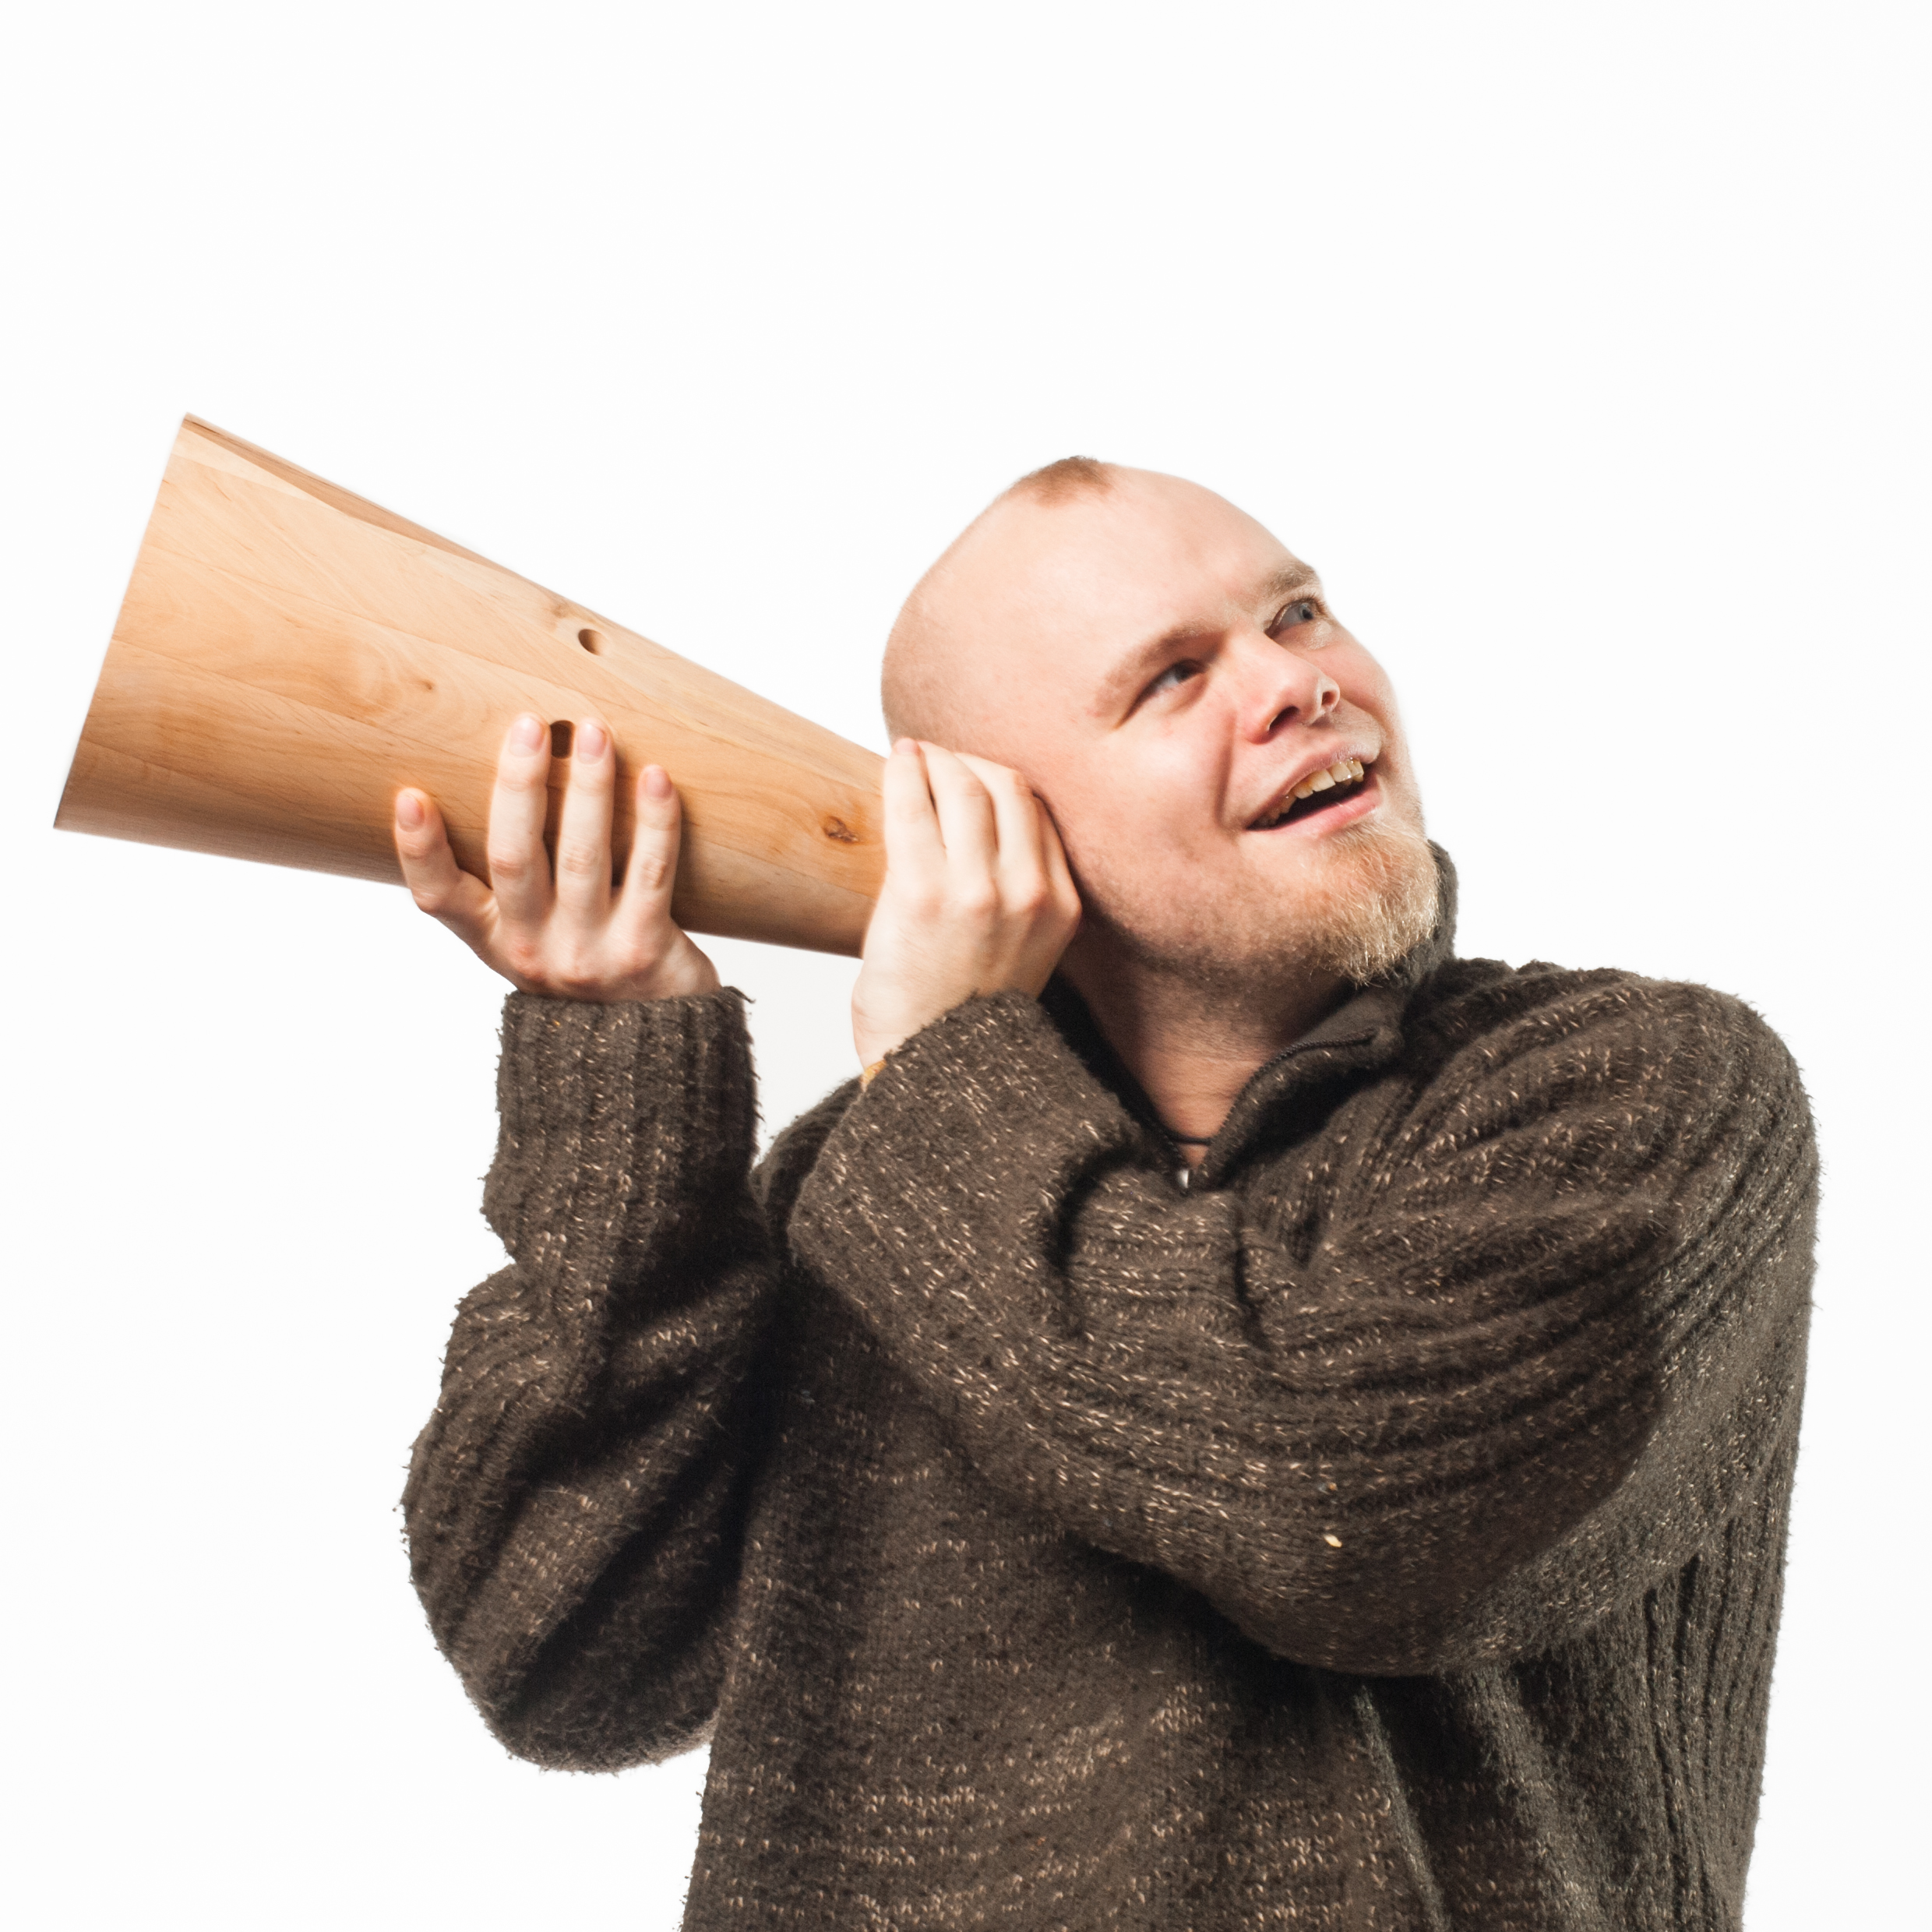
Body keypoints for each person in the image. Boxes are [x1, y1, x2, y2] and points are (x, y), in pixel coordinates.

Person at [393, 459, 1815, 1931]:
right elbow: (567, 1660)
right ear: (989, 828)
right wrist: (629, 1088)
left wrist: (942, 1070)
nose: (1300, 680)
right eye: (1173, 677)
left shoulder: (1636, 1088)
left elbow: (1335, 1513)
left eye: (1298, 613)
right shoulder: (871, 1188)